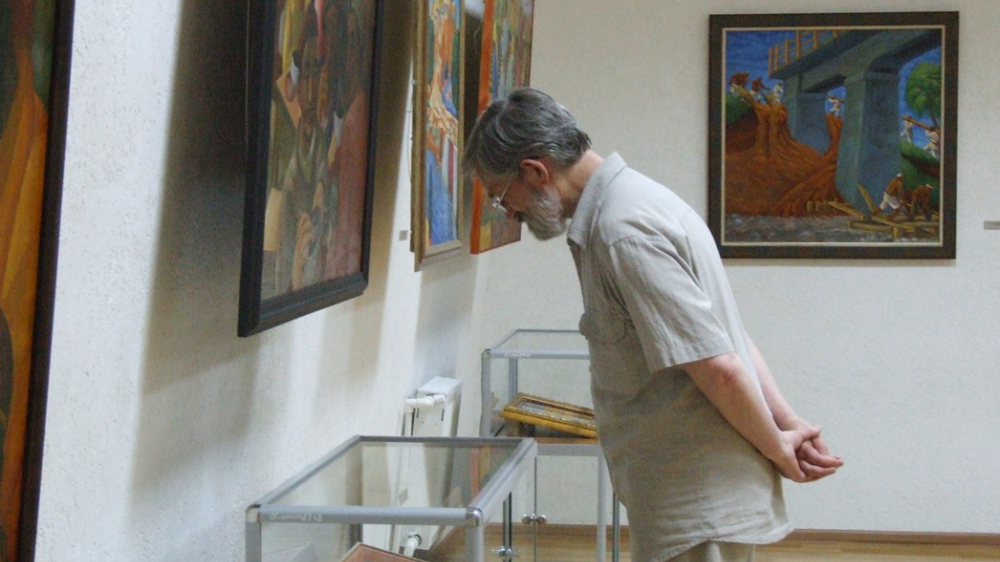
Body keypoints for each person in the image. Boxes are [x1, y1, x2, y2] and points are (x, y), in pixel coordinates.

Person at [464, 88, 843, 562]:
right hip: (687, 494)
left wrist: (780, 446)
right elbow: (729, 337)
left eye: (502, 195)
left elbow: (720, 366)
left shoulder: (622, 231)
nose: (509, 211)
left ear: (535, 171)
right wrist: (785, 424)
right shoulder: (638, 201)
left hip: (697, 503)